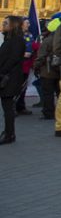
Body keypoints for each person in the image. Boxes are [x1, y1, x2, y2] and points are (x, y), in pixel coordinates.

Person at [0, 15, 26, 145]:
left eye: (6, 23)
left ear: (13, 25)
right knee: (6, 106)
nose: (3, 25)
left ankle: (9, 134)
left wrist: (2, 71)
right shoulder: (9, 38)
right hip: (7, 76)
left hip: (10, 78)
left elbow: (13, 59)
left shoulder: (17, 40)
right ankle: (8, 132)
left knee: (8, 107)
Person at [33, 19, 61, 120]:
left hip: (47, 71)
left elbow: (41, 56)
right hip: (60, 71)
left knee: (48, 93)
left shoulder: (47, 40)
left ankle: (48, 113)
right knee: (60, 93)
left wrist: (36, 67)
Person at [15, 17, 38, 115]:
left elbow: (33, 46)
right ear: (21, 24)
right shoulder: (16, 35)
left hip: (27, 66)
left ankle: (21, 107)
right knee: (17, 87)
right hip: (18, 66)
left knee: (23, 88)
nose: (29, 24)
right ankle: (13, 107)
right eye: (27, 23)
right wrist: (22, 54)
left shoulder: (30, 34)